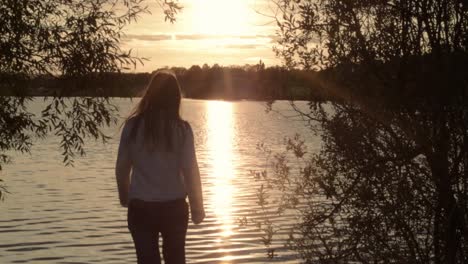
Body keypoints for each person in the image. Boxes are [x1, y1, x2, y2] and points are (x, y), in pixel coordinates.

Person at [115, 70, 205, 264]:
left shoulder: (132, 127)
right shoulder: (182, 130)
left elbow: (122, 167)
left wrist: (125, 197)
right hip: (174, 207)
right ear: (175, 97)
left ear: (150, 94)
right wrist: (198, 207)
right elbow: (190, 170)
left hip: (141, 207)